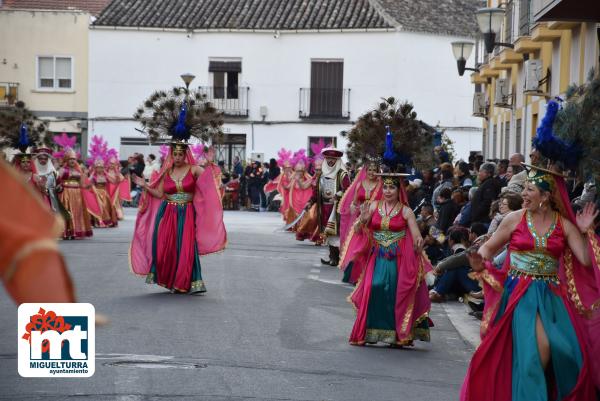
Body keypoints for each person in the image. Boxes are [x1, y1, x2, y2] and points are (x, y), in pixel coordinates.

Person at [461, 165, 600, 400]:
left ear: (546, 196)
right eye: (524, 188)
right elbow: (488, 248)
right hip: (519, 295)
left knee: (567, 353)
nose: (523, 194)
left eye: (530, 189)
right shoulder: (514, 219)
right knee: (535, 354)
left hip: (552, 297)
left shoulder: (564, 225)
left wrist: (586, 231)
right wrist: (479, 262)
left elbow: (586, 260)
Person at [345, 172, 432, 346]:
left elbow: (416, 236)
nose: (388, 190)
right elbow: (358, 230)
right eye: (385, 187)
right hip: (377, 257)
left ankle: (395, 334)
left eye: (392, 187)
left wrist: (419, 242)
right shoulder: (373, 206)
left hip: (397, 259)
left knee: (392, 293)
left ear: (399, 190)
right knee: (373, 287)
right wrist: (361, 221)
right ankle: (370, 332)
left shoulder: (406, 211)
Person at [130, 141, 227, 294]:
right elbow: (160, 194)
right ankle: (170, 280)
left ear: (185, 155)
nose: (177, 157)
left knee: (186, 246)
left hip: (187, 212)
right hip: (168, 212)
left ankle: (185, 281)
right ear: (171, 155)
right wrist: (145, 186)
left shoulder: (194, 169)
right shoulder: (167, 172)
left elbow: (212, 181)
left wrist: (210, 163)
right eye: (174, 154)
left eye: (180, 154)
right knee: (166, 247)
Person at [0, 159, 75, 304]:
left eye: (28, 162)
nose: (26, 165)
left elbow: (44, 190)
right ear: (19, 164)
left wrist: (44, 184)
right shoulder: (14, 175)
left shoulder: (35, 177)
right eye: (23, 162)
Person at [339, 156, 383, 284]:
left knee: (369, 247)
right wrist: (355, 208)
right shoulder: (359, 184)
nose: (371, 172)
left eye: (374, 170)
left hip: (375, 219)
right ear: (366, 170)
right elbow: (354, 203)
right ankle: (355, 275)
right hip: (361, 220)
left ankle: (367, 275)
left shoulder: (381, 185)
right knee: (358, 247)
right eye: (369, 169)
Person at [306, 148, 351, 266]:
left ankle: (338, 258)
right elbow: (316, 192)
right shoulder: (321, 175)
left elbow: (348, 190)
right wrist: (310, 202)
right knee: (329, 234)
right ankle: (333, 257)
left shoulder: (342, 175)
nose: (330, 161)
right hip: (324, 208)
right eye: (328, 158)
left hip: (337, 209)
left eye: (333, 159)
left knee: (336, 234)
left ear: (337, 160)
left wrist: (338, 195)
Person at [56, 149, 98, 240]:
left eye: (74, 159)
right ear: (66, 160)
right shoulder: (62, 170)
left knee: (77, 212)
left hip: (77, 194)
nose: (72, 161)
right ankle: (66, 231)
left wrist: (90, 183)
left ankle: (75, 231)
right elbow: (57, 182)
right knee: (67, 211)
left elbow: (83, 185)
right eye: (70, 159)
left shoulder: (79, 171)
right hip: (66, 193)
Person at [429, 229, 479, 303]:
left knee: (454, 268)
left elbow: (456, 259)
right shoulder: (449, 245)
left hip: (474, 284)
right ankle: (437, 290)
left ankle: (438, 292)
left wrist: (439, 266)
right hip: (462, 283)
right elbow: (434, 232)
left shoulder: (468, 249)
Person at [283, 151, 312, 226]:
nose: (298, 172)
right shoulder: (293, 178)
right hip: (295, 201)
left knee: (304, 213)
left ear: (304, 170)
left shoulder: (309, 179)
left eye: (300, 170)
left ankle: (303, 226)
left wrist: (298, 180)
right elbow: (288, 187)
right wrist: (284, 184)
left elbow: (303, 187)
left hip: (304, 200)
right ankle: (296, 225)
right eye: (297, 170)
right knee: (294, 212)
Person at [89, 159, 119, 228]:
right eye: (98, 167)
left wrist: (115, 173)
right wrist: (92, 173)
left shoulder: (105, 176)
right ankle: (99, 222)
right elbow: (88, 182)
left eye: (102, 167)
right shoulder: (94, 176)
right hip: (96, 194)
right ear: (95, 168)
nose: (100, 169)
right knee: (99, 207)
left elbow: (114, 181)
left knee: (106, 206)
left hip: (105, 194)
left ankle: (106, 221)